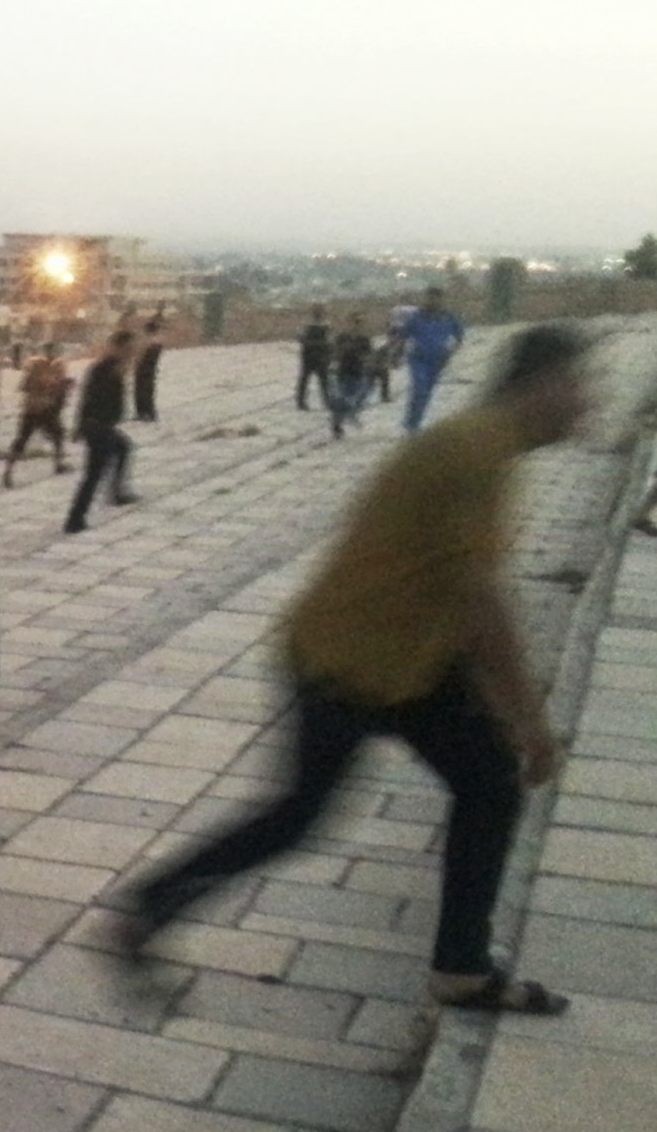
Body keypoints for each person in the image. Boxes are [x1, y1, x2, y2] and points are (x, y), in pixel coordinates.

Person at [121, 324, 594, 1014]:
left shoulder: (486, 447)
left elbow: (460, 591)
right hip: (346, 662)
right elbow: (481, 600)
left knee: (487, 783)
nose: (589, 403)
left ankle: (462, 966)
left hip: (404, 660)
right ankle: (148, 905)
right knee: (299, 816)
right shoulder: (476, 451)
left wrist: (497, 704)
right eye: (581, 386)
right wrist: (531, 721)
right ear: (542, 384)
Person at [63, 331, 138, 534]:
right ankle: (74, 520)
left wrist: (80, 426)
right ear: (119, 347)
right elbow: (88, 398)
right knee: (93, 474)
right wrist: (81, 426)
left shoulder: (106, 367)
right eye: (129, 348)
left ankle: (117, 493)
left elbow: (86, 397)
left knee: (123, 447)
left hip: (100, 426)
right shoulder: (108, 368)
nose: (131, 353)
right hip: (99, 428)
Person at [1, 343, 73, 488]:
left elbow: (26, 386)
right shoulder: (39, 366)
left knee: (53, 434)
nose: (54, 354)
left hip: (37, 408)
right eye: (53, 350)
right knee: (28, 439)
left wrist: (60, 385)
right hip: (38, 408)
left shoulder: (52, 366)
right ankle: (8, 472)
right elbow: (29, 385)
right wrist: (55, 384)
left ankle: (8, 472)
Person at [402, 285, 465, 432]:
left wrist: (450, 352)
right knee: (420, 388)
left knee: (426, 393)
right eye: (430, 298)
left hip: (438, 362)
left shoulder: (449, 317)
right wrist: (393, 352)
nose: (433, 301)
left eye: (437, 298)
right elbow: (403, 335)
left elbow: (459, 337)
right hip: (418, 359)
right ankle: (412, 425)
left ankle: (413, 420)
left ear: (442, 299)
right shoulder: (417, 316)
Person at [327, 316, 373, 438]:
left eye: (358, 324)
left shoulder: (364, 340)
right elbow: (335, 353)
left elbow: (368, 356)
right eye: (352, 323)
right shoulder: (342, 338)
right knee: (340, 399)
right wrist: (341, 353)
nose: (355, 327)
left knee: (355, 399)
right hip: (343, 372)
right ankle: (337, 426)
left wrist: (360, 355)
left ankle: (350, 415)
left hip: (357, 372)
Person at [296, 309, 333, 411]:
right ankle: (302, 402)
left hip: (313, 357)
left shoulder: (311, 327)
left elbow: (301, 339)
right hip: (315, 357)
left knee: (309, 380)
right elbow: (329, 343)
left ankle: (301, 401)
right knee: (320, 382)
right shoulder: (324, 327)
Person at [132, 316, 165, 422]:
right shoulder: (156, 341)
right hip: (148, 370)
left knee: (142, 391)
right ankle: (147, 412)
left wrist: (139, 364)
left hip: (145, 370)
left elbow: (144, 356)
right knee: (146, 390)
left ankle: (145, 412)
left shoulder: (150, 342)